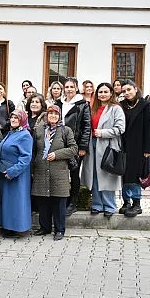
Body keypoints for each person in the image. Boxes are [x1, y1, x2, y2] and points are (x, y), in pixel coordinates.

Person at [31, 105, 78, 241]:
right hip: (40, 170)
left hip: (59, 172)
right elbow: (34, 150)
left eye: (55, 114)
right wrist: (32, 168)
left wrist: (57, 154)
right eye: (50, 113)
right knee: (43, 201)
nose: (53, 116)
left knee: (59, 201)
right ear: (46, 115)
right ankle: (44, 228)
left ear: (59, 116)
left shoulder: (66, 130)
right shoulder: (39, 130)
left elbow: (74, 148)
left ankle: (59, 229)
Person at [80, 83, 125, 217]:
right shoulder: (93, 108)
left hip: (107, 145)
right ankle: (97, 204)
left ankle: (109, 206)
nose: (103, 94)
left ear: (111, 93)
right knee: (93, 174)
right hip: (92, 145)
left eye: (105, 92)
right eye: (100, 92)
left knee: (106, 175)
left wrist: (103, 133)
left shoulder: (116, 108)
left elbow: (120, 128)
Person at [55, 77, 91, 217]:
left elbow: (86, 126)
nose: (69, 89)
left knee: (74, 173)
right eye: (67, 86)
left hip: (74, 144)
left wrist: (83, 146)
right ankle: (61, 200)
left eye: (72, 87)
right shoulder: (59, 103)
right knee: (61, 172)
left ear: (76, 88)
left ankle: (73, 202)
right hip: (59, 143)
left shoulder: (82, 104)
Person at [0, 110, 33, 237]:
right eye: (12, 117)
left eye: (16, 118)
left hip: (17, 175)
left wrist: (13, 172)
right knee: (7, 202)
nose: (13, 120)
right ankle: (6, 226)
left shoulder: (25, 135)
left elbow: (26, 158)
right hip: (4, 173)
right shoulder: (10, 133)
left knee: (16, 201)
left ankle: (16, 227)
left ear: (22, 120)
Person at [120, 80, 150, 217]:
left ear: (135, 89)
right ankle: (125, 201)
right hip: (124, 146)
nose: (127, 93)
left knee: (135, 175)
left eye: (129, 90)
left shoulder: (145, 106)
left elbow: (149, 128)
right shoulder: (121, 105)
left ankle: (136, 203)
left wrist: (148, 150)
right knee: (123, 174)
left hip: (139, 146)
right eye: (124, 91)